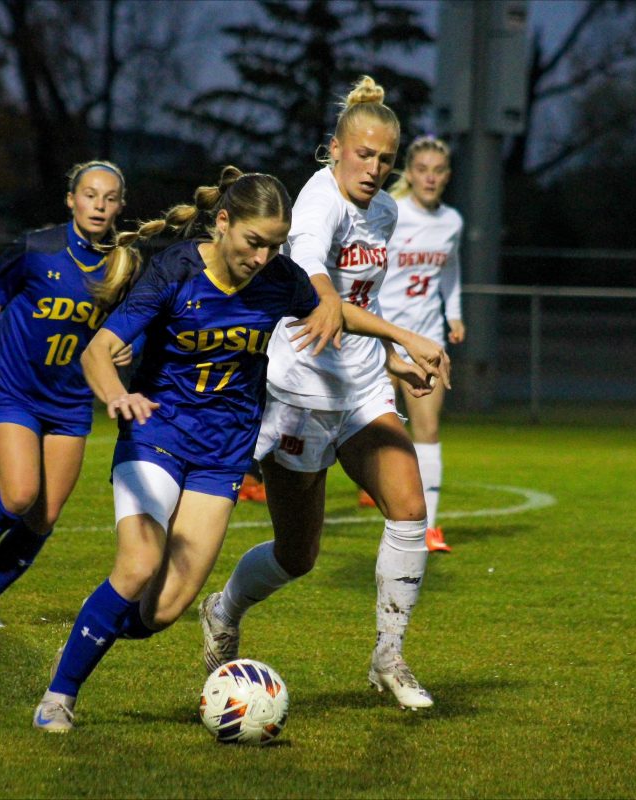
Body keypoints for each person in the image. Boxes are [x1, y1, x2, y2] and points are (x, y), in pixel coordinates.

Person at [32, 167, 446, 732]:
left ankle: (90, 630)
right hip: (156, 433)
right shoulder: (175, 269)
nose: (263, 256)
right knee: (139, 564)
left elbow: (333, 313)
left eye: (276, 245)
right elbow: (98, 351)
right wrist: (118, 396)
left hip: (222, 453)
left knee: (163, 610)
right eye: (255, 242)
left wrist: (398, 345)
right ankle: (59, 696)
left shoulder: (279, 278)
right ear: (223, 223)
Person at [200, 76, 445, 710]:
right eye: (363, 154)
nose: (374, 167)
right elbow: (317, 292)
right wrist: (407, 339)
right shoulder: (316, 205)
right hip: (299, 396)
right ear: (333, 148)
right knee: (297, 554)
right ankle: (222, 610)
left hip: (361, 392)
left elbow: (359, 302)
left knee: (410, 508)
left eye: (385, 159)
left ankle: (389, 656)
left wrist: (391, 360)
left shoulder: (384, 212)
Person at [0, 160, 133, 630]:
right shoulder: (36, 248)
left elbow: (133, 322)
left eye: (109, 198)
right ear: (71, 199)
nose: (99, 205)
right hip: (14, 391)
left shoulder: (122, 263)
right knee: (21, 494)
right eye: (90, 195)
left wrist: (129, 345)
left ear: (120, 206)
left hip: (69, 402)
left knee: (44, 516)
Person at [369, 134, 465, 554]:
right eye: (422, 169)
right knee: (370, 428)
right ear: (409, 173)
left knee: (427, 428)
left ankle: (429, 527)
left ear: (447, 176)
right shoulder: (392, 213)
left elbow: (450, 271)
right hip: (383, 340)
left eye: (438, 170)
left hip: (427, 341)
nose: (430, 177)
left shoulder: (453, 222)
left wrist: (454, 313)